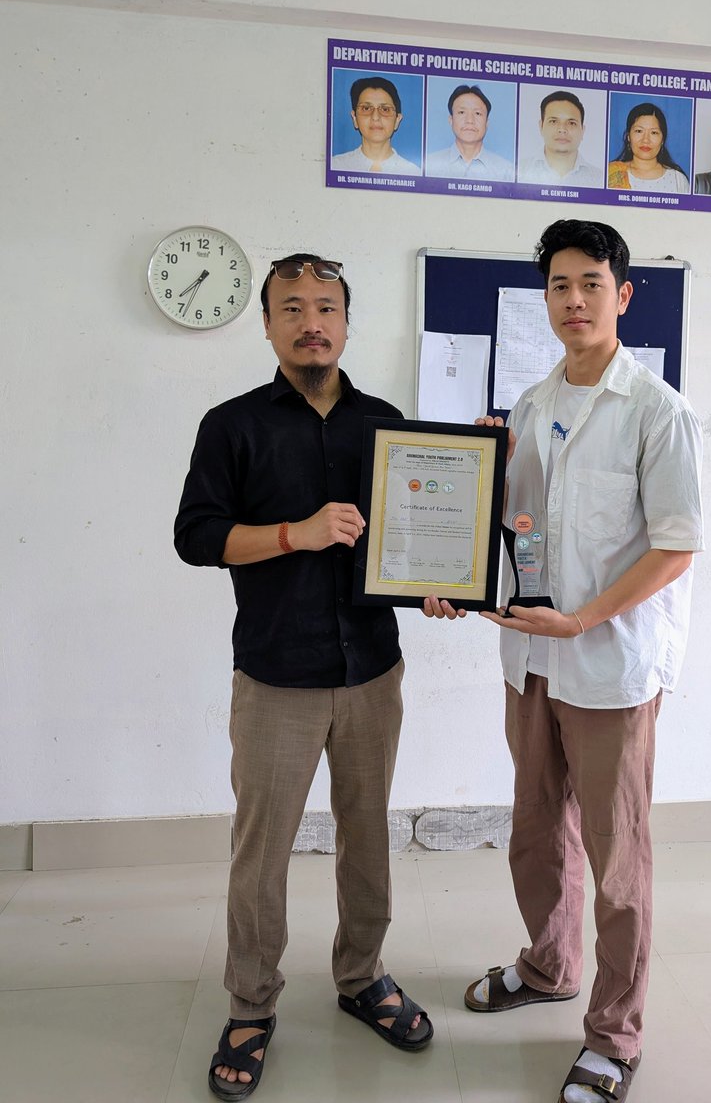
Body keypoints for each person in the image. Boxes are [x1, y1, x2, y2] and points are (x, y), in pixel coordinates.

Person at [424, 218, 703, 1103]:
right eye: (558, 286)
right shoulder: (532, 405)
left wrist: (582, 619)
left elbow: (676, 547)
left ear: (622, 295)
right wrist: (446, 568)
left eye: (591, 283)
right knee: (538, 832)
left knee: (618, 861)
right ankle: (549, 966)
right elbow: (509, 529)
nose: (573, 300)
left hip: (610, 663)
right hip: (530, 659)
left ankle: (615, 1035)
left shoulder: (659, 411)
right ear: (543, 299)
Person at [175, 253, 432, 1100]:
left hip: (371, 671)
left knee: (367, 836)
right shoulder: (233, 425)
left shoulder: (388, 423)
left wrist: (439, 578)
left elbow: (416, 534)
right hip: (277, 674)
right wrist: (295, 533)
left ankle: (362, 977)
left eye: (326, 306)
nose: (310, 321)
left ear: (348, 323)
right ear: (269, 325)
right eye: (292, 307)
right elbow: (198, 537)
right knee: (262, 853)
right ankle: (251, 1005)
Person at [331, 76, 420, 174]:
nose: (375, 117)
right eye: (366, 108)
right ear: (355, 118)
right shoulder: (336, 166)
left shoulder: (412, 172)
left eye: (385, 109)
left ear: (397, 120)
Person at [424, 83, 514, 180]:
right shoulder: (429, 164)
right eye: (462, 112)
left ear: (487, 123)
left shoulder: (506, 170)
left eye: (477, 113)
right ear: (451, 120)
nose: (470, 120)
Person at [518, 91, 603, 186]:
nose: (562, 129)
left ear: (582, 131)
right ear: (541, 126)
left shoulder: (599, 178)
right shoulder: (519, 170)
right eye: (553, 121)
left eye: (571, 123)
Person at [607, 102, 690, 192]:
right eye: (639, 131)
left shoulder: (677, 179)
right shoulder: (611, 173)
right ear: (628, 136)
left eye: (654, 132)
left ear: (662, 139)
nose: (646, 140)